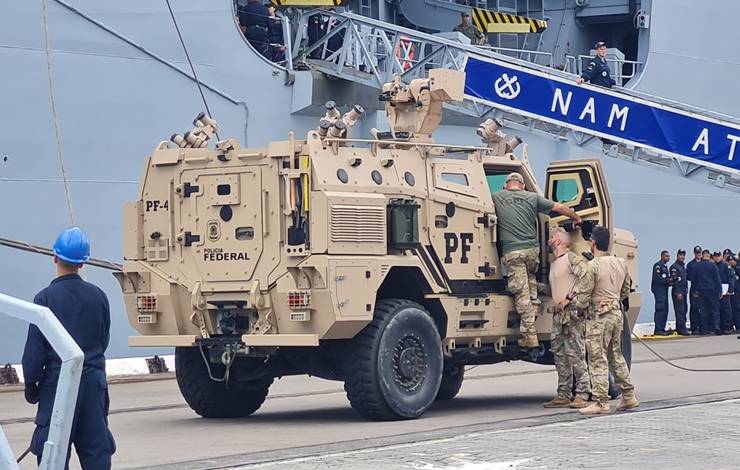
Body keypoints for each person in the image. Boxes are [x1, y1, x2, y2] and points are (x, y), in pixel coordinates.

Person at [22, 227, 115, 468]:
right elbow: (102, 341)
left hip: (57, 386)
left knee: (53, 456)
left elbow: (34, 354)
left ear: (54, 257)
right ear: (83, 263)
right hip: (94, 386)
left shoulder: (44, 300)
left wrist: (32, 387)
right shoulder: (100, 296)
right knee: (97, 454)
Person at [491, 172, 582, 348]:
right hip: (533, 253)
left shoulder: (498, 196)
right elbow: (559, 208)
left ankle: (530, 335)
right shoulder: (532, 198)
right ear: (523, 185)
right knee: (531, 286)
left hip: (514, 252)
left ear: (506, 185)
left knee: (521, 292)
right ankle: (537, 308)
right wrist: (576, 218)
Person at [574, 225, 638, 415]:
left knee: (597, 357)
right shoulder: (621, 263)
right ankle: (628, 395)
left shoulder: (592, 266)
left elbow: (584, 295)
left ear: (592, 243)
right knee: (616, 355)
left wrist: (580, 310)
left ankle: (601, 401)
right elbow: (626, 289)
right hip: (616, 314)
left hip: (598, 316)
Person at [543, 229, 590, 409]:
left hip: (571, 312)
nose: (550, 239)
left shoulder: (571, 258)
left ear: (559, 241)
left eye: (552, 236)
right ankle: (564, 393)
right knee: (560, 354)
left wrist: (570, 298)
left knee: (576, 353)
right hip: (558, 315)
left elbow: (585, 277)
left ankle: (582, 393)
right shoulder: (555, 263)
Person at [692, 250, 722, 334]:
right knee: (715, 309)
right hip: (712, 290)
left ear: (702, 255)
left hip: (701, 291)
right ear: (708, 256)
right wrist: (720, 291)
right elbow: (717, 279)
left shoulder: (697, 266)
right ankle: (716, 327)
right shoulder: (713, 265)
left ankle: (704, 329)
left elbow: (694, 280)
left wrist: (695, 290)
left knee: (703, 310)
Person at [669, 249, 690, 335]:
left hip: (684, 291)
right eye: (680, 255)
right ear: (677, 255)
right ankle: (682, 329)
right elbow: (675, 281)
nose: (682, 257)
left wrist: (686, 289)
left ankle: (680, 327)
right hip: (678, 292)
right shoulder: (674, 267)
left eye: (683, 255)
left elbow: (685, 280)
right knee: (680, 310)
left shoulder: (683, 267)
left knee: (684, 309)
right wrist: (678, 292)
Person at [714, 251, 735, 334]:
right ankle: (720, 327)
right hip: (717, 291)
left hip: (725, 291)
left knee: (726, 310)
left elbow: (731, 278)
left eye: (718, 256)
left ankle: (728, 327)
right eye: (715, 256)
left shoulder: (725, 266)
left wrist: (730, 289)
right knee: (718, 310)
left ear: (721, 257)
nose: (716, 257)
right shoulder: (713, 266)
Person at [651, 250, 671, 336]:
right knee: (660, 309)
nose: (668, 258)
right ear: (662, 256)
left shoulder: (665, 267)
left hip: (664, 291)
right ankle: (658, 329)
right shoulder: (658, 266)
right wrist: (668, 280)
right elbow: (657, 279)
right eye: (666, 256)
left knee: (665, 310)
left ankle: (662, 328)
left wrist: (671, 282)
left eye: (669, 256)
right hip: (659, 292)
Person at [686, 245, 703, 334]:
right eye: (697, 253)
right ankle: (694, 328)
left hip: (704, 289)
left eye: (699, 252)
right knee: (694, 309)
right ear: (694, 253)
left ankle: (702, 327)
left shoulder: (704, 263)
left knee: (703, 309)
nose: (698, 254)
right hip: (695, 288)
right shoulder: (690, 264)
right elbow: (688, 277)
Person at [729, 255, 740, 330]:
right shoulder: (730, 268)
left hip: (737, 290)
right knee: (735, 309)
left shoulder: (737, 267)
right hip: (735, 292)